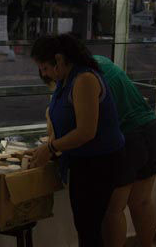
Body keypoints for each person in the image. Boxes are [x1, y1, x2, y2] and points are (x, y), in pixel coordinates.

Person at [30, 34, 124, 247]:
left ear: (59, 59)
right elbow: (58, 115)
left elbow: (86, 131)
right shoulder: (65, 80)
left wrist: (51, 148)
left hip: (100, 163)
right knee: (84, 225)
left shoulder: (84, 80)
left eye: (45, 67)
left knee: (89, 227)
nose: (43, 73)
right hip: (83, 162)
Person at [95, 55, 156, 247]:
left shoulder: (82, 76)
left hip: (129, 139)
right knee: (142, 202)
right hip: (154, 131)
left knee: (113, 209)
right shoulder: (103, 62)